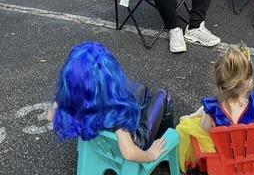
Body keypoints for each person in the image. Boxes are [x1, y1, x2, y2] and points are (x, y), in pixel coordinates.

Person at [47, 42, 175, 163]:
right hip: (136, 141)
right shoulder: (116, 112)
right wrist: (152, 155)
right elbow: (129, 153)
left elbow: (50, 116)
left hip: (97, 131)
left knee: (140, 87)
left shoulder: (67, 96)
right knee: (164, 95)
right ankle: (164, 137)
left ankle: (145, 115)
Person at [176, 45, 254, 172]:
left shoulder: (213, 112)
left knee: (191, 121)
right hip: (253, 161)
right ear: (249, 83)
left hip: (224, 162)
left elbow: (203, 134)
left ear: (220, 83)